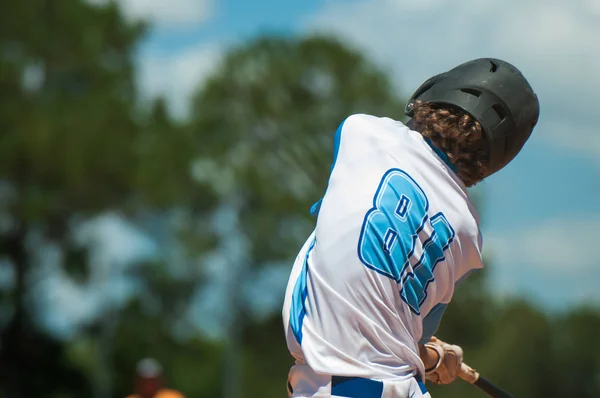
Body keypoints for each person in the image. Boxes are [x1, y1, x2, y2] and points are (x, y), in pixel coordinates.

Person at [282, 58, 539, 397]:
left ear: (430, 96)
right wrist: (434, 358)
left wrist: (432, 357)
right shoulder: (468, 235)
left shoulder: (360, 131)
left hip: (336, 387)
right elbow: (408, 340)